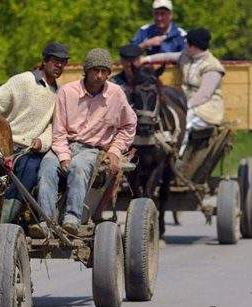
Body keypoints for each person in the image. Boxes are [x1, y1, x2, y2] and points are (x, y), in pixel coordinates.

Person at [32, 48, 137, 236]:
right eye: (95, 71)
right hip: (63, 145)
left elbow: (129, 125)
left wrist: (115, 150)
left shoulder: (116, 94)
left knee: (79, 168)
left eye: (104, 71)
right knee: (47, 167)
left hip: (91, 149)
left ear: (108, 73)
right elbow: (59, 130)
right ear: (86, 71)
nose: (99, 76)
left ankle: (72, 219)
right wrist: (63, 156)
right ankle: (45, 221)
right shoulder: (67, 92)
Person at [0, 42, 69, 223]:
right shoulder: (23, 81)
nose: (59, 66)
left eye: (63, 62)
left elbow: (53, 127)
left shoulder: (59, 94)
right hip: (4, 145)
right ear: (44, 61)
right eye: (55, 61)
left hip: (30, 150)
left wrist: (42, 141)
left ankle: (3, 220)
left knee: (29, 168)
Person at [139, 28, 225, 156]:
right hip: (186, 103)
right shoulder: (187, 55)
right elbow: (167, 56)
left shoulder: (213, 67)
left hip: (206, 109)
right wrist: (146, 59)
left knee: (185, 123)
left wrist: (185, 107)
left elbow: (204, 95)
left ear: (193, 45)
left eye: (187, 43)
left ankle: (177, 156)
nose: (185, 45)